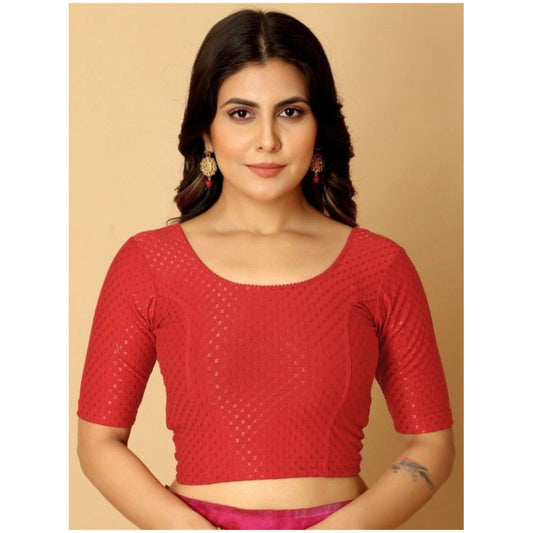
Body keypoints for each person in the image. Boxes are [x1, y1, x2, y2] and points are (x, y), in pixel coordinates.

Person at [77, 9, 454, 530]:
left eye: (291, 112)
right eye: (241, 113)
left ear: (319, 127)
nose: (268, 140)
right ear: (206, 131)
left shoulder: (379, 266)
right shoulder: (149, 264)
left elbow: (432, 445)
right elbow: (98, 443)